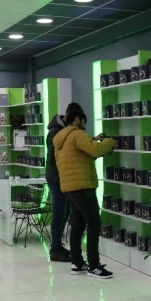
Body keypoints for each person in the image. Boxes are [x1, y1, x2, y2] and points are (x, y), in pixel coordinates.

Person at [54, 109, 117, 278]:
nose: (84, 126)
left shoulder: (62, 138)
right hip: (82, 186)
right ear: (77, 119)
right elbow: (95, 150)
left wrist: (94, 140)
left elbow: (82, 157)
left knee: (78, 224)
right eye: (83, 122)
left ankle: (77, 263)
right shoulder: (77, 134)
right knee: (94, 223)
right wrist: (109, 142)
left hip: (70, 187)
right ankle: (94, 266)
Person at [46, 103, 82, 262]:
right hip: (56, 178)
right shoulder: (55, 132)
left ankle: (58, 245)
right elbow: (53, 158)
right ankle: (55, 249)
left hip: (62, 177)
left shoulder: (61, 130)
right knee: (59, 212)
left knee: (65, 212)